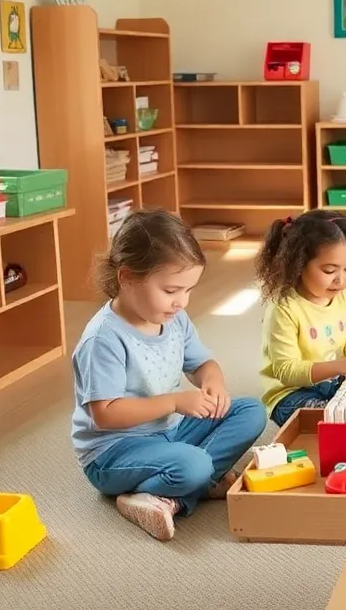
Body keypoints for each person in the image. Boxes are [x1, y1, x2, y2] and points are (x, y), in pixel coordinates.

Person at [72, 209, 265, 542]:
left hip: (170, 432)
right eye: (172, 290)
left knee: (251, 411)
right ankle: (159, 494)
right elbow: (105, 414)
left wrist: (213, 382)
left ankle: (184, 484)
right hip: (114, 450)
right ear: (127, 278)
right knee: (194, 466)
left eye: (188, 290)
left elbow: (202, 363)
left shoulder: (174, 319)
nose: (181, 302)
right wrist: (175, 402)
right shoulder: (103, 338)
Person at [256, 210, 346, 427]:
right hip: (291, 394)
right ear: (299, 264)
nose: (341, 279)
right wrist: (340, 366)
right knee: (337, 422)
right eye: (329, 270)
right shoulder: (284, 308)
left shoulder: (343, 295)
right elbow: (286, 371)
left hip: (334, 381)